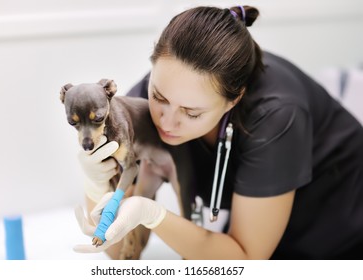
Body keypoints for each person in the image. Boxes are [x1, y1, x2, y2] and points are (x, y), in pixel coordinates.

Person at [74, 5, 363, 259]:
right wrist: (96, 186)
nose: (167, 122)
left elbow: (245, 259)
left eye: (192, 113)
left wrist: (152, 215)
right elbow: (124, 253)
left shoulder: (277, 115)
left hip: (341, 235)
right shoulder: (140, 105)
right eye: (159, 97)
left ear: (233, 100)